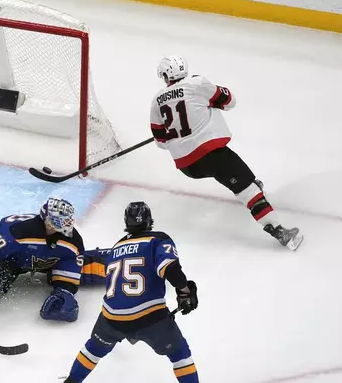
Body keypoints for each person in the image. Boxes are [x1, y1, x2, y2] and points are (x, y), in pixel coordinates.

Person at [150, 56, 302, 251]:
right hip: (211, 154)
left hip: (188, 166)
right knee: (247, 189)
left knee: (232, 170)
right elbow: (230, 101)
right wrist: (210, 104)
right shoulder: (197, 83)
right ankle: (279, 231)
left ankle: (247, 184)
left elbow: (160, 141)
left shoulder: (156, 101)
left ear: (165, 76)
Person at [64, 202, 199, 383]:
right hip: (150, 317)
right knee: (180, 353)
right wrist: (184, 292)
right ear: (150, 220)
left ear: (126, 222)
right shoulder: (157, 239)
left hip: (111, 318)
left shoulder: (115, 248)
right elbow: (170, 268)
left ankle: (72, 381)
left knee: (93, 349)